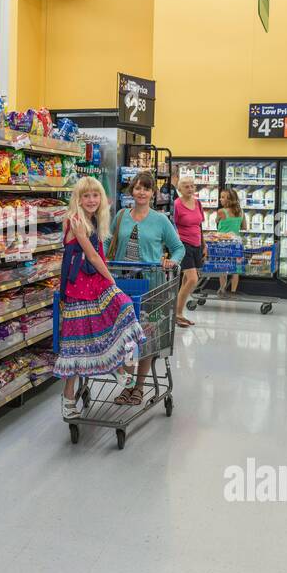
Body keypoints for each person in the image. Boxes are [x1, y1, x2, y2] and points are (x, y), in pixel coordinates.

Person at [54, 177, 148, 421]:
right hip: (78, 286)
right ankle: (68, 398)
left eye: (95, 195)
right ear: (78, 199)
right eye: (86, 196)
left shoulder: (95, 219)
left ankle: (115, 365)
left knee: (122, 309)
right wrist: (112, 281)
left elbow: (99, 255)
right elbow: (93, 256)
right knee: (77, 343)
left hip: (94, 282)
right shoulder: (76, 220)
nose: (91, 200)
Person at [109, 171, 185, 406]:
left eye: (146, 188)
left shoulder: (160, 220)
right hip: (123, 285)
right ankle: (127, 385)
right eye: (138, 188)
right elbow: (107, 241)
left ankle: (139, 387)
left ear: (153, 193)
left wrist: (172, 261)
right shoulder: (121, 215)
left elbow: (178, 248)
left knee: (146, 336)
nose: (141, 192)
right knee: (126, 338)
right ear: (131, 191)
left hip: (152, 286)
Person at [171, 175, 205, 327]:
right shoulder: (176, 205)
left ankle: (178, 313)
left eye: (192, 186)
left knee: (186, 280)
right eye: (186, 186)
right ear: (179, 189)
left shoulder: (198, 203)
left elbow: (199, 225)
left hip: (196, 244)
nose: (190, 189)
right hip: (183, 244)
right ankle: (177, 314)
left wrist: (204, 244)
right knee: (192, 279)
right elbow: (172, 225)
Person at [214, 187, 247, 295]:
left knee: (223, 268)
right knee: (235, 269)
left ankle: (223, 289)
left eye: (223, 197)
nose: (220, 199)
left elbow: (216, 221)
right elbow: (244, 227)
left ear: (230, 199)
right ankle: (233, 291)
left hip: (223, 244)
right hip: (236, 244)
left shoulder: (221, 211)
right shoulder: (241, 212)